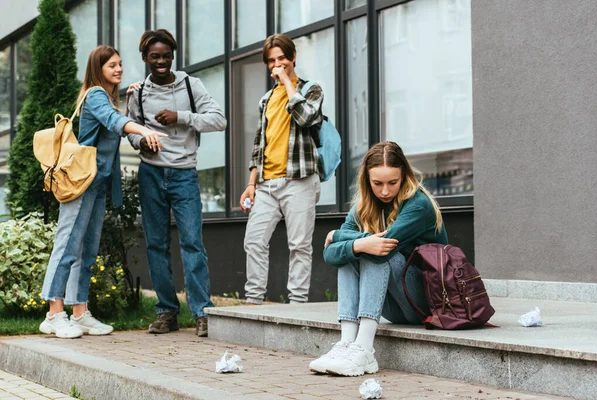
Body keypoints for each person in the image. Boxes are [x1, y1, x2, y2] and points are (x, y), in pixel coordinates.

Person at [40, 45, 166, 339]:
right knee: (68, 246)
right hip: (80, 185)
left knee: (86, 250)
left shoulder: (107, 98)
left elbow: (113, 120)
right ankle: (54, 313)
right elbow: (115, 123)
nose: (119, 69)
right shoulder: (95, 95)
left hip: (96, 185)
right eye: (112, 65)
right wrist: (142, 130)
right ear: (99, 70)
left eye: (120, 64)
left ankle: (80, 313)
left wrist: (129, 98)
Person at [310, 141, 448, 376]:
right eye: (378, 184)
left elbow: (382, 248)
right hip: (395, 307)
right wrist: (358, 243)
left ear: (404, 176)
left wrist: (337, 235)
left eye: (392, 183)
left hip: (427, 303)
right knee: (354, 253)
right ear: (367, 180)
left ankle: (364, 349)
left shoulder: (418, 205)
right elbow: (329, 255)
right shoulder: (364, 205)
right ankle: (346, 344)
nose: (385, 191)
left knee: (374, 253)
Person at [126, 29, 227, 337]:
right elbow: (130, 130)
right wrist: (141, 143)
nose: (161, 61)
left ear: (173, 56)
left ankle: (201, 312)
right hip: (151, 174)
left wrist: (181, 116)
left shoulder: (189, 84)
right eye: (155, 56)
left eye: (166, 56)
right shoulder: (137, 93)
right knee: (156, 245)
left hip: (184, 174)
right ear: (145, 58)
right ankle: (167, 312)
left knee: (192, 244)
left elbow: (219, 120)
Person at [239, 34, 322, 305]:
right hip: (265, 184)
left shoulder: (311, 90)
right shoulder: (265, 99)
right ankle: (253, 300)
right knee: (254, 241)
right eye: (272, 61)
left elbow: (307, 118)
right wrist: (251, 183)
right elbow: (258, 143)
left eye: (282, 58)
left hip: (299, 179)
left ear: (293, 57)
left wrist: (288, 82)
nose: (277, 64)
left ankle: (297, 305)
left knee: (299, 245)